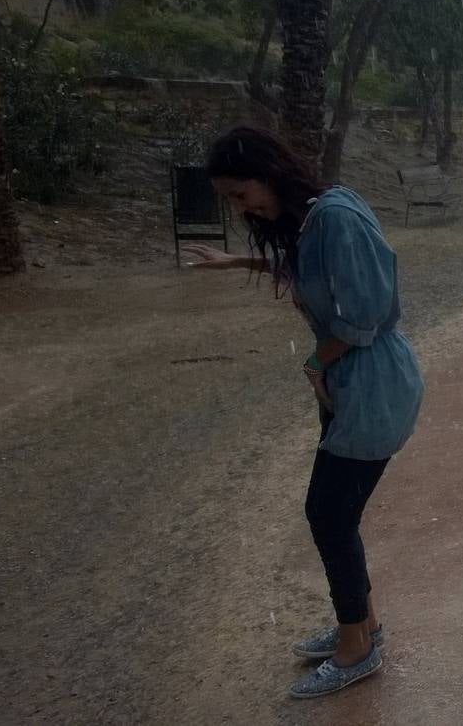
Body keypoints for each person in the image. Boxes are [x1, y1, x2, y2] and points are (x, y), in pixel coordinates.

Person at [183, 125, 423, 700]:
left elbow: (363, 315)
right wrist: (235, 261)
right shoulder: (314, 218)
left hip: (373, 386)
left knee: (328, 515)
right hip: (350, 386)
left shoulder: (336, 216)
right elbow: (314, 272)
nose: (245, 208)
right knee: (337, 514)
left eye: (243, 195)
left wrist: (316, 362)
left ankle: (356, 649)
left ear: (271, 173)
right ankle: (362, 623)